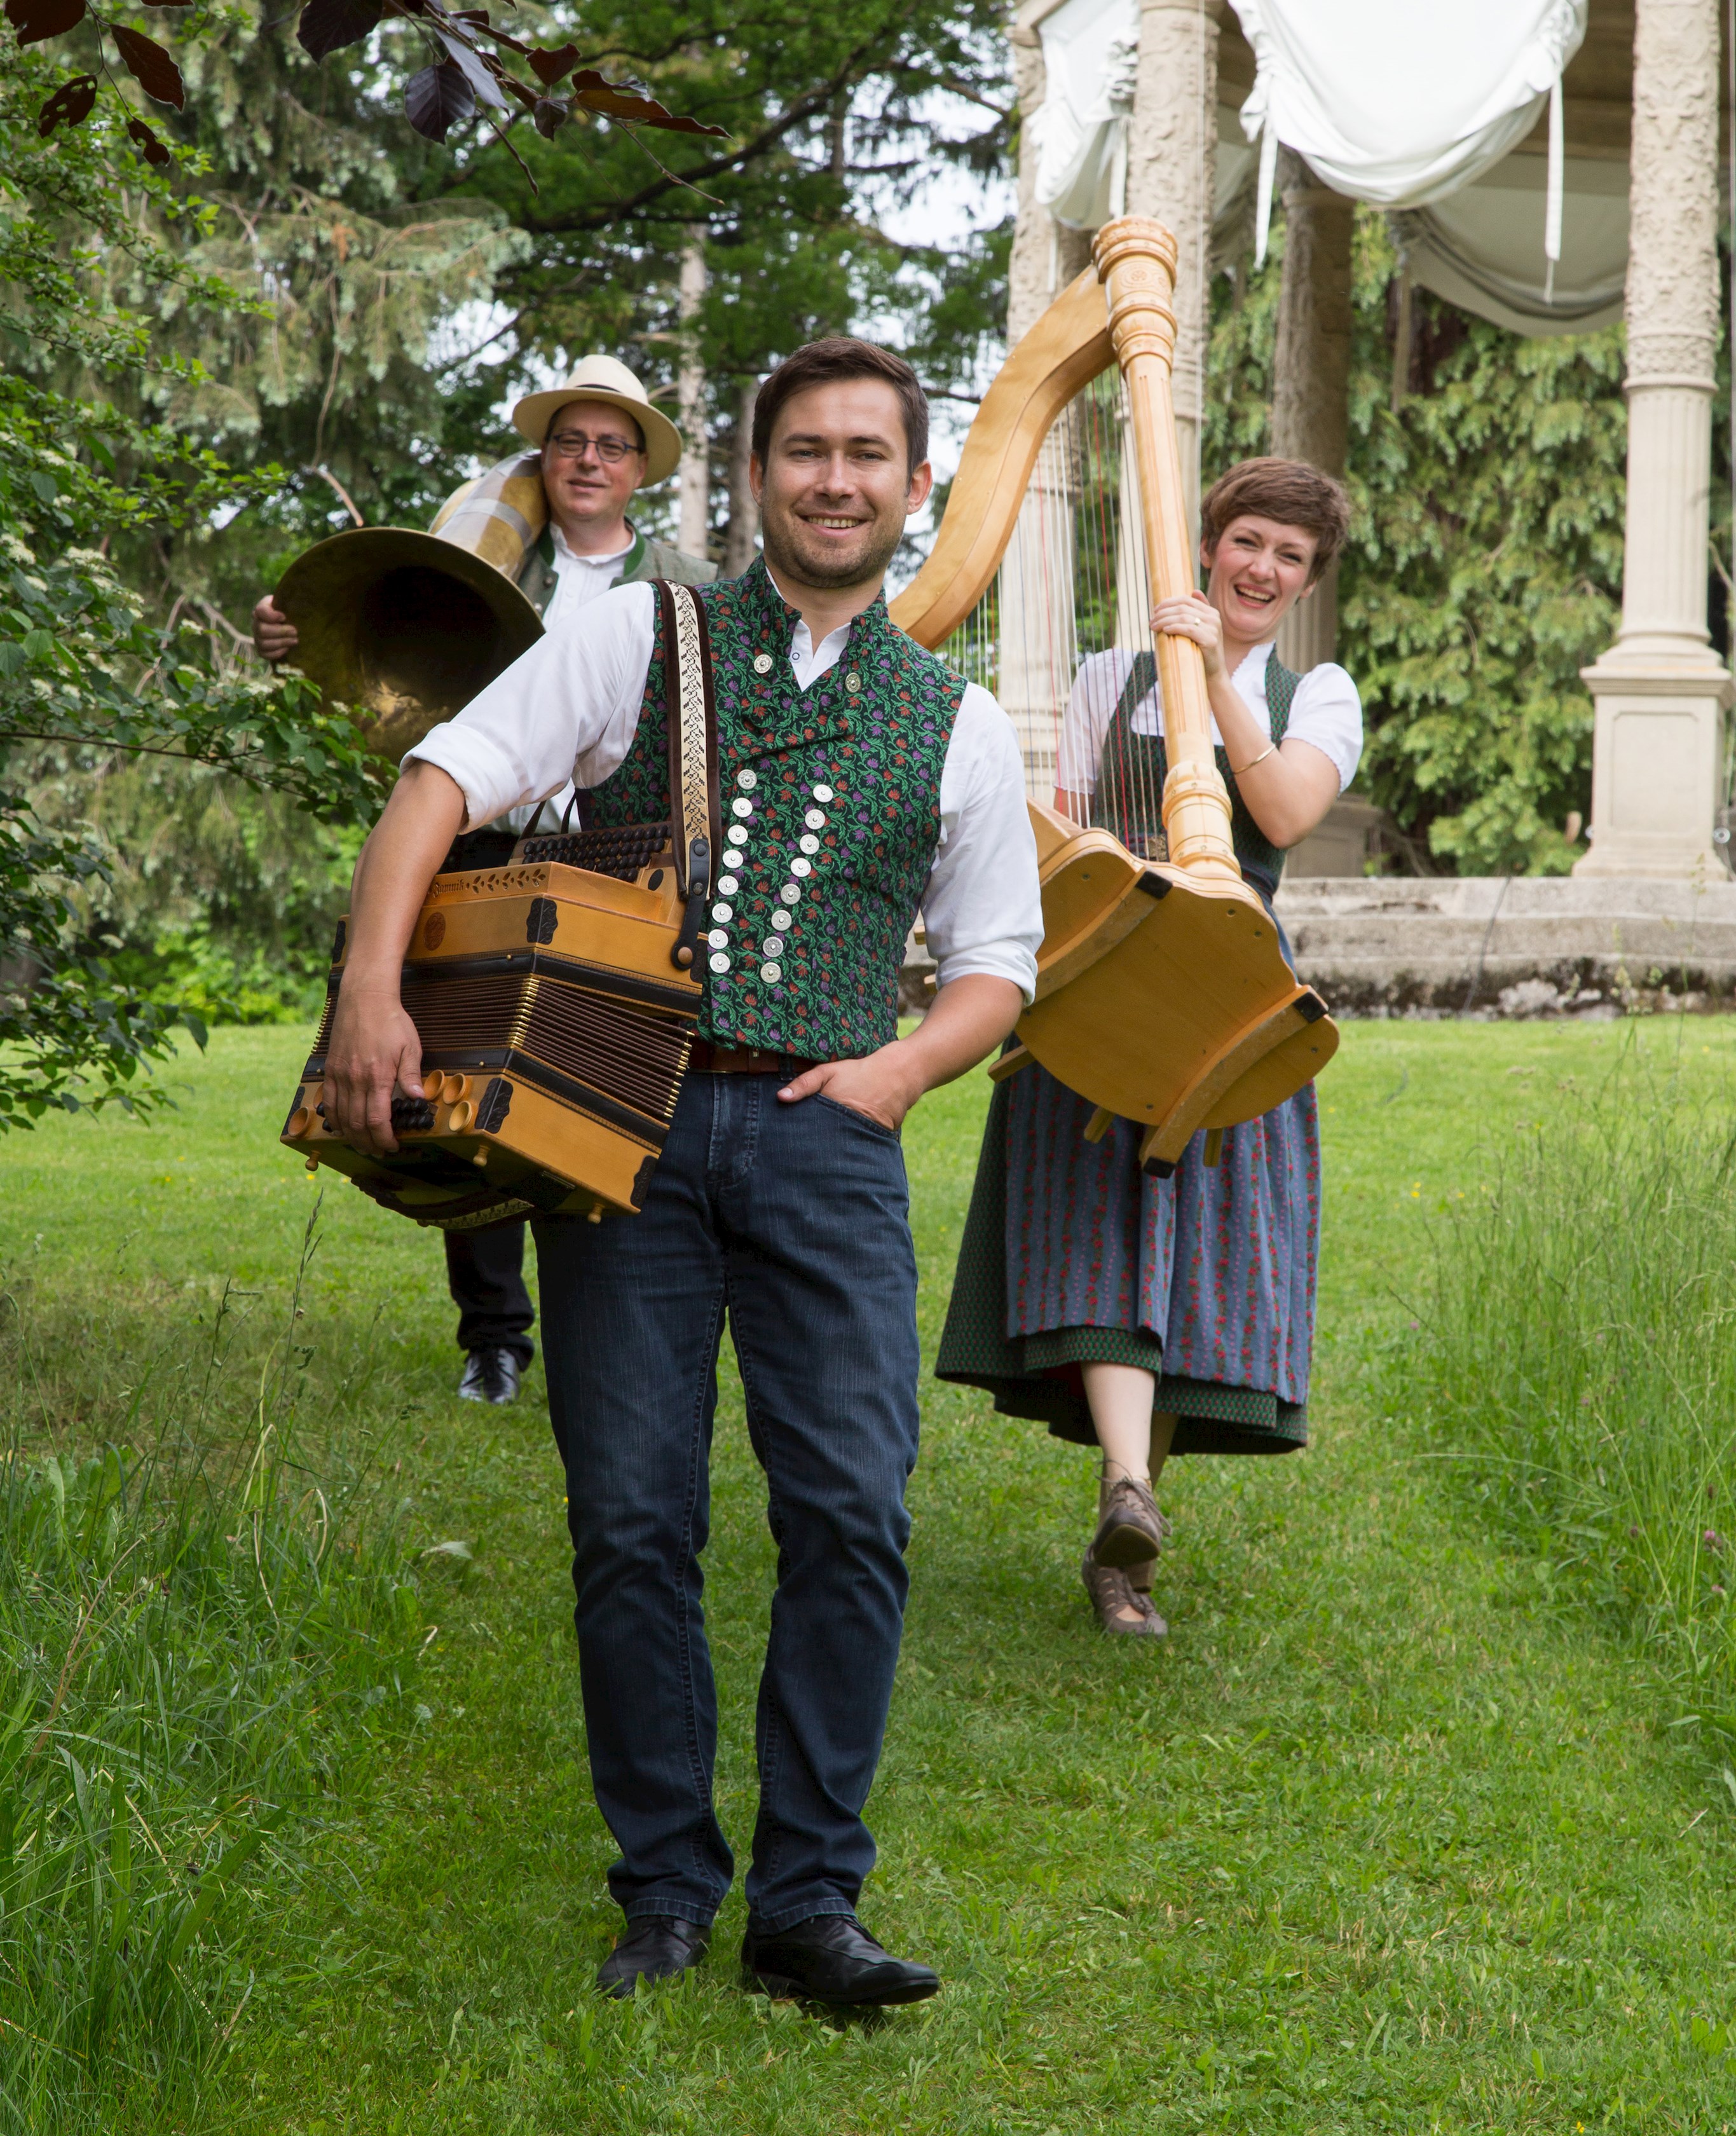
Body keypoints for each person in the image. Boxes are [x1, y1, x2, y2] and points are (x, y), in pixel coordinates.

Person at [322, 335, 1042, 2006]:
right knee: (631, 1522)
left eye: (871, 454)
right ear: (753, 476)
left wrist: (898, 1073)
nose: (839, 479)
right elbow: (441, 783)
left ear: (914, 486)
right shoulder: (629, 637)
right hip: (621, 1127)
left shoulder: (961, 721)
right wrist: (371, 991)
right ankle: (662, 1891)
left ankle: (806, 1907)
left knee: (851, 1513)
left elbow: (998, 961)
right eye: (807, 451)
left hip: (828, 1145)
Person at [936, 456, 1362, 1638]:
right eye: (1249, 543)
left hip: (1228, 1003)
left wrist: (1213, 679)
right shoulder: (1101, 678)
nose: (1264, 568)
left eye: (1290, 555)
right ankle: (1128, 1498)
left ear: (1307, 578)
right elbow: (1072, 828)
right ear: (1209, 544)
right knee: (1101, 1238)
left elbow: (1281, 816)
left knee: (1186, 1265)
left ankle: (1128, 1528)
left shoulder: (1317, 694)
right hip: (1104, 980)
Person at [253, 357, 713, 1409]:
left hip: (604, 850)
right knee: (458, 1070)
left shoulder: (683, 578)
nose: (587, 462)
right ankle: (496, 1337)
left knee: (591, 1071)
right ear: (544, 457)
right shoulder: (487, 553)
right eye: (568, 442)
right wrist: (290, 641)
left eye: (611, 445)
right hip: (473, 840)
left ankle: (620, 1311)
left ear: (641, 467)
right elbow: (388, 680)